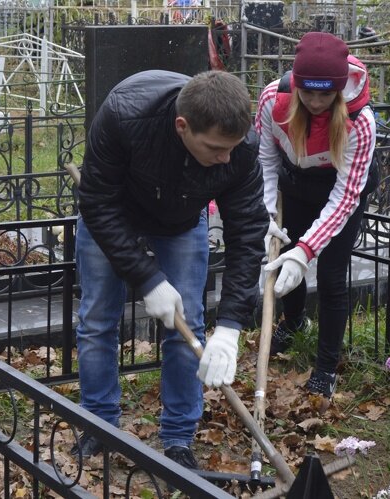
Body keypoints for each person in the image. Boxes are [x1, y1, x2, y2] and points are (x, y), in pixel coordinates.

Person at [75, 70, 267, 468]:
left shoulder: (241, 148)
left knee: (188, 326)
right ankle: (98, 424)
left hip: (181, 221)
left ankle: (179, 438)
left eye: (231, 148)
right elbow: (96, 202)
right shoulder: (124, 116)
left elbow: (247, 232)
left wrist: (231, 325)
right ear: (182, 126)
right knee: (96, 320)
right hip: (114, 214)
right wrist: (146, 277)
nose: (225, 158)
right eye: (215, 147)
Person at [256, 32, 378, 399]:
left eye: (326, 95)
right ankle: (293, 323)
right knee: (286, 258)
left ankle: (326, 366)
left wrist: (308, 250)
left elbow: (344, 198)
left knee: (329, 275)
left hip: (339, 190)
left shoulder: (360, 122)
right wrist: (265, 215)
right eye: (308, 92)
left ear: (339, 91)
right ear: (296, 84)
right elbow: (264, 158)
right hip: (296, 183)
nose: (315, 101)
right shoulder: (273, 100)